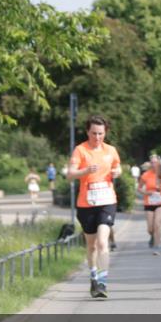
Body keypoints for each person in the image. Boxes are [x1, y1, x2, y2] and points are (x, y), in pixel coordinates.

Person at [67, 115, 122, 299]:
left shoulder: (111, 150)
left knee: (102, 242)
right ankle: (93, 277)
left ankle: (103, 282)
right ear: (87, 132)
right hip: (86, 203)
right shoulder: (80, 150)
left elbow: (118, 167)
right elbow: (70, 174)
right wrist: (85, 171)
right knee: (91, 246)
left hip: (107, 201)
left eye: (100, 133)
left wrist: (117, 172)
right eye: (93, 133)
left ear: (105, 132)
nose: (97, 137)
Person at [138, 156, 161, 253]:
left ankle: (157, 246)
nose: (154, 164)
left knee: (157, 224)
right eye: (152, 162)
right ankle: (152, 236)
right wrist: (146, 193)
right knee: (150, 228)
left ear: (159, 163)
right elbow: (139, 188)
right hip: (149, 202)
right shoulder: (146, 175)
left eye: (156, 162)